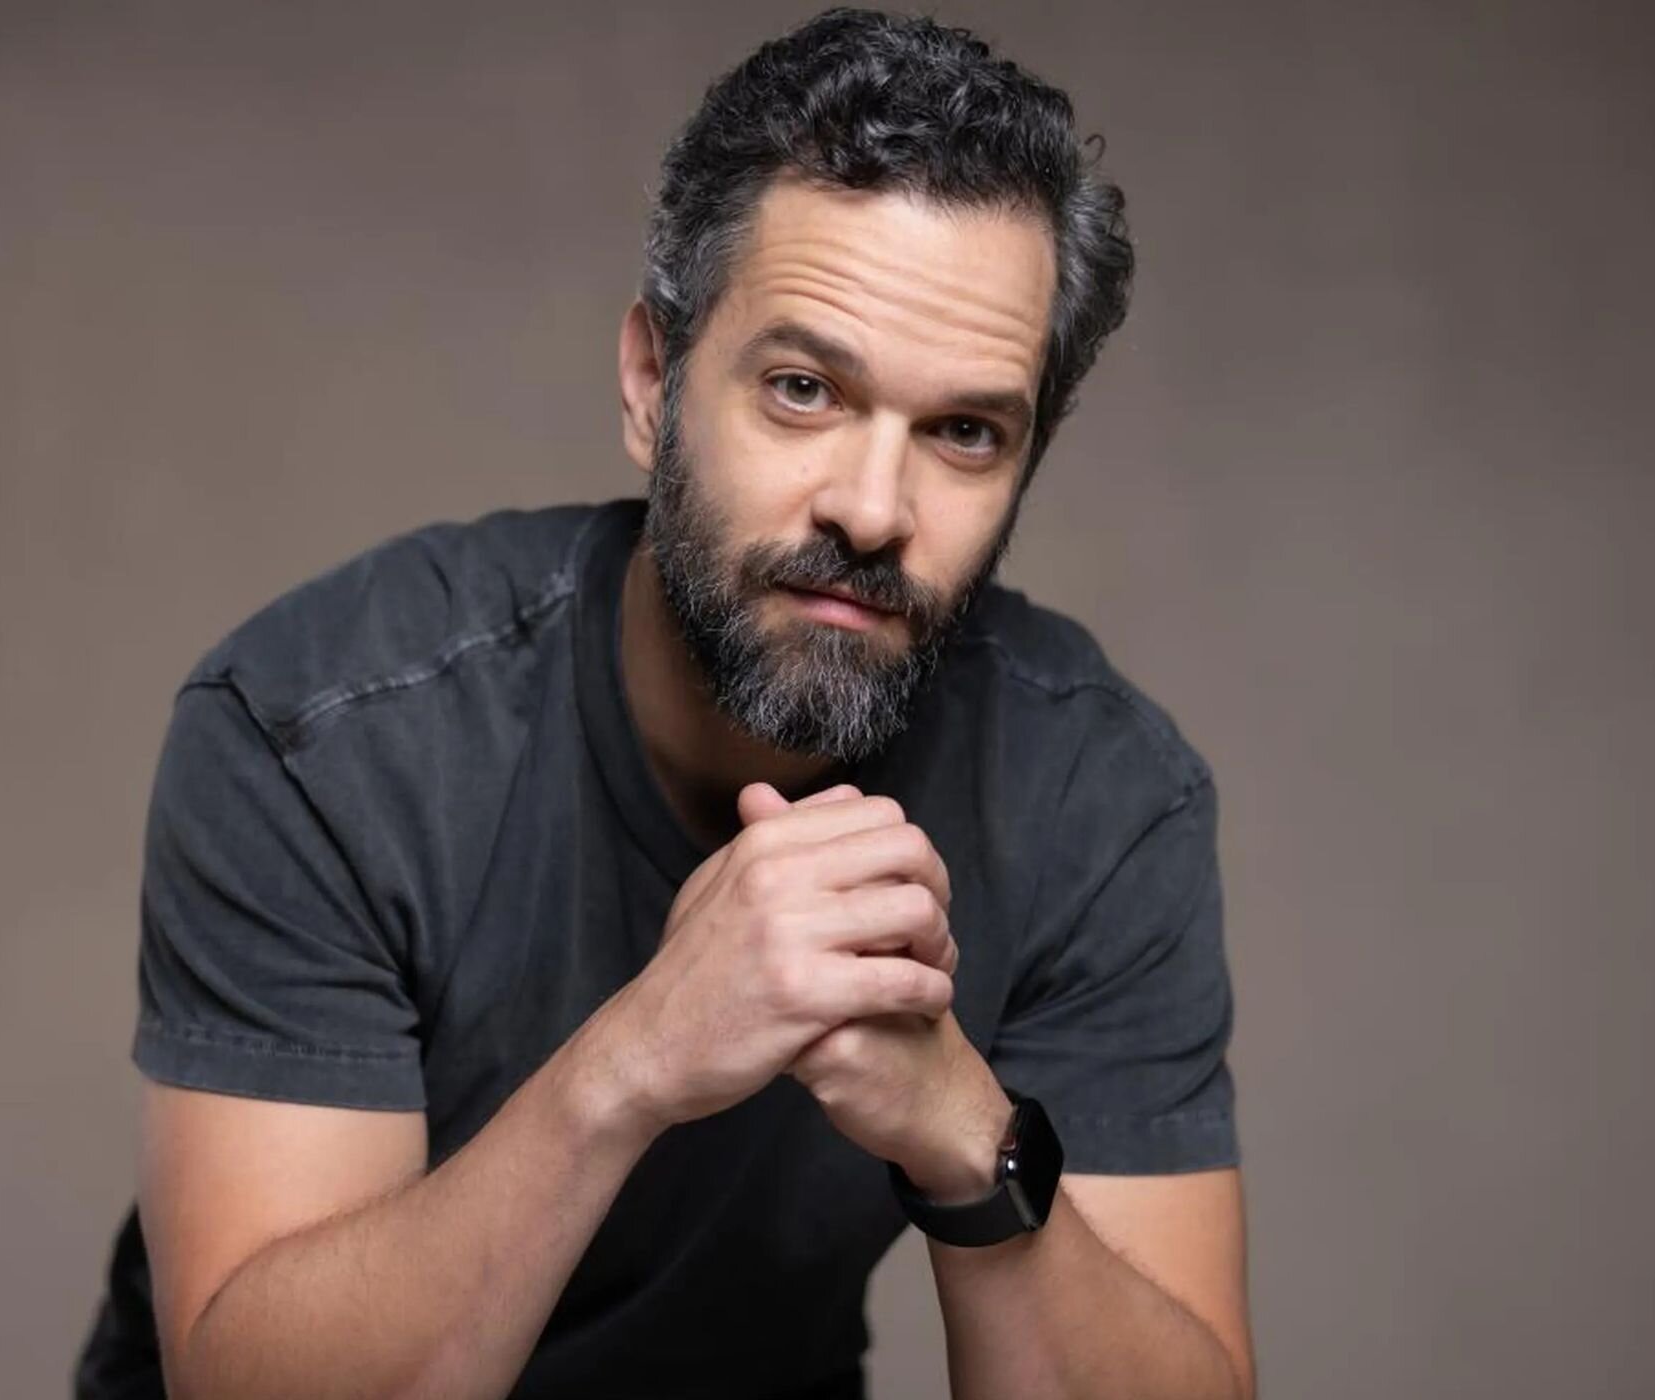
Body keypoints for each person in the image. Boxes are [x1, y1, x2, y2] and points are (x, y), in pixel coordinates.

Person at [73, 8, 1253, 1398]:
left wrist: (966, 1138)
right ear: (653, 384)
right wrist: (632, 1064)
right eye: (803, 389)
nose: (873, 510)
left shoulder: (1097, 795)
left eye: (964, 432)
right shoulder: (320, 732)